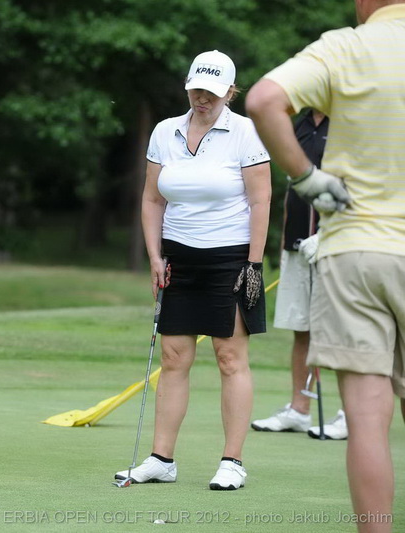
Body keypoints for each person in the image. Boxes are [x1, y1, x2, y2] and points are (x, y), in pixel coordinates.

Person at [246, 1, 405, 530]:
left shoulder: (346, 45)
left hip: (355, 249)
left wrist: (308, 179)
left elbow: (264, 100)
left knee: (366, 420)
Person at [115, 50, 271, 490]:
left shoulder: (246, 132)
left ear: (230, 92)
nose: (202, 98)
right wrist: (155, 256)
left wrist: (253, 263)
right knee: (173, 357)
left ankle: (232, 461)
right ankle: (161, 459)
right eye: (196, 89)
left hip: (230, 258)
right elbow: (152, 200)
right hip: (178, 258)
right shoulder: (165, 131)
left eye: (212, 92)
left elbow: (261, 200)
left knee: (229, 358)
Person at [250, 110, 348, 440]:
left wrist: (331, 234)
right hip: (297, 243)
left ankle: (352, 414)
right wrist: (285, 244)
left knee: (342, 330)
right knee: (301, 328)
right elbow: (293, 185)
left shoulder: (349, 119)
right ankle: (299, 409)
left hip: (337, 242)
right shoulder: (300, 124)